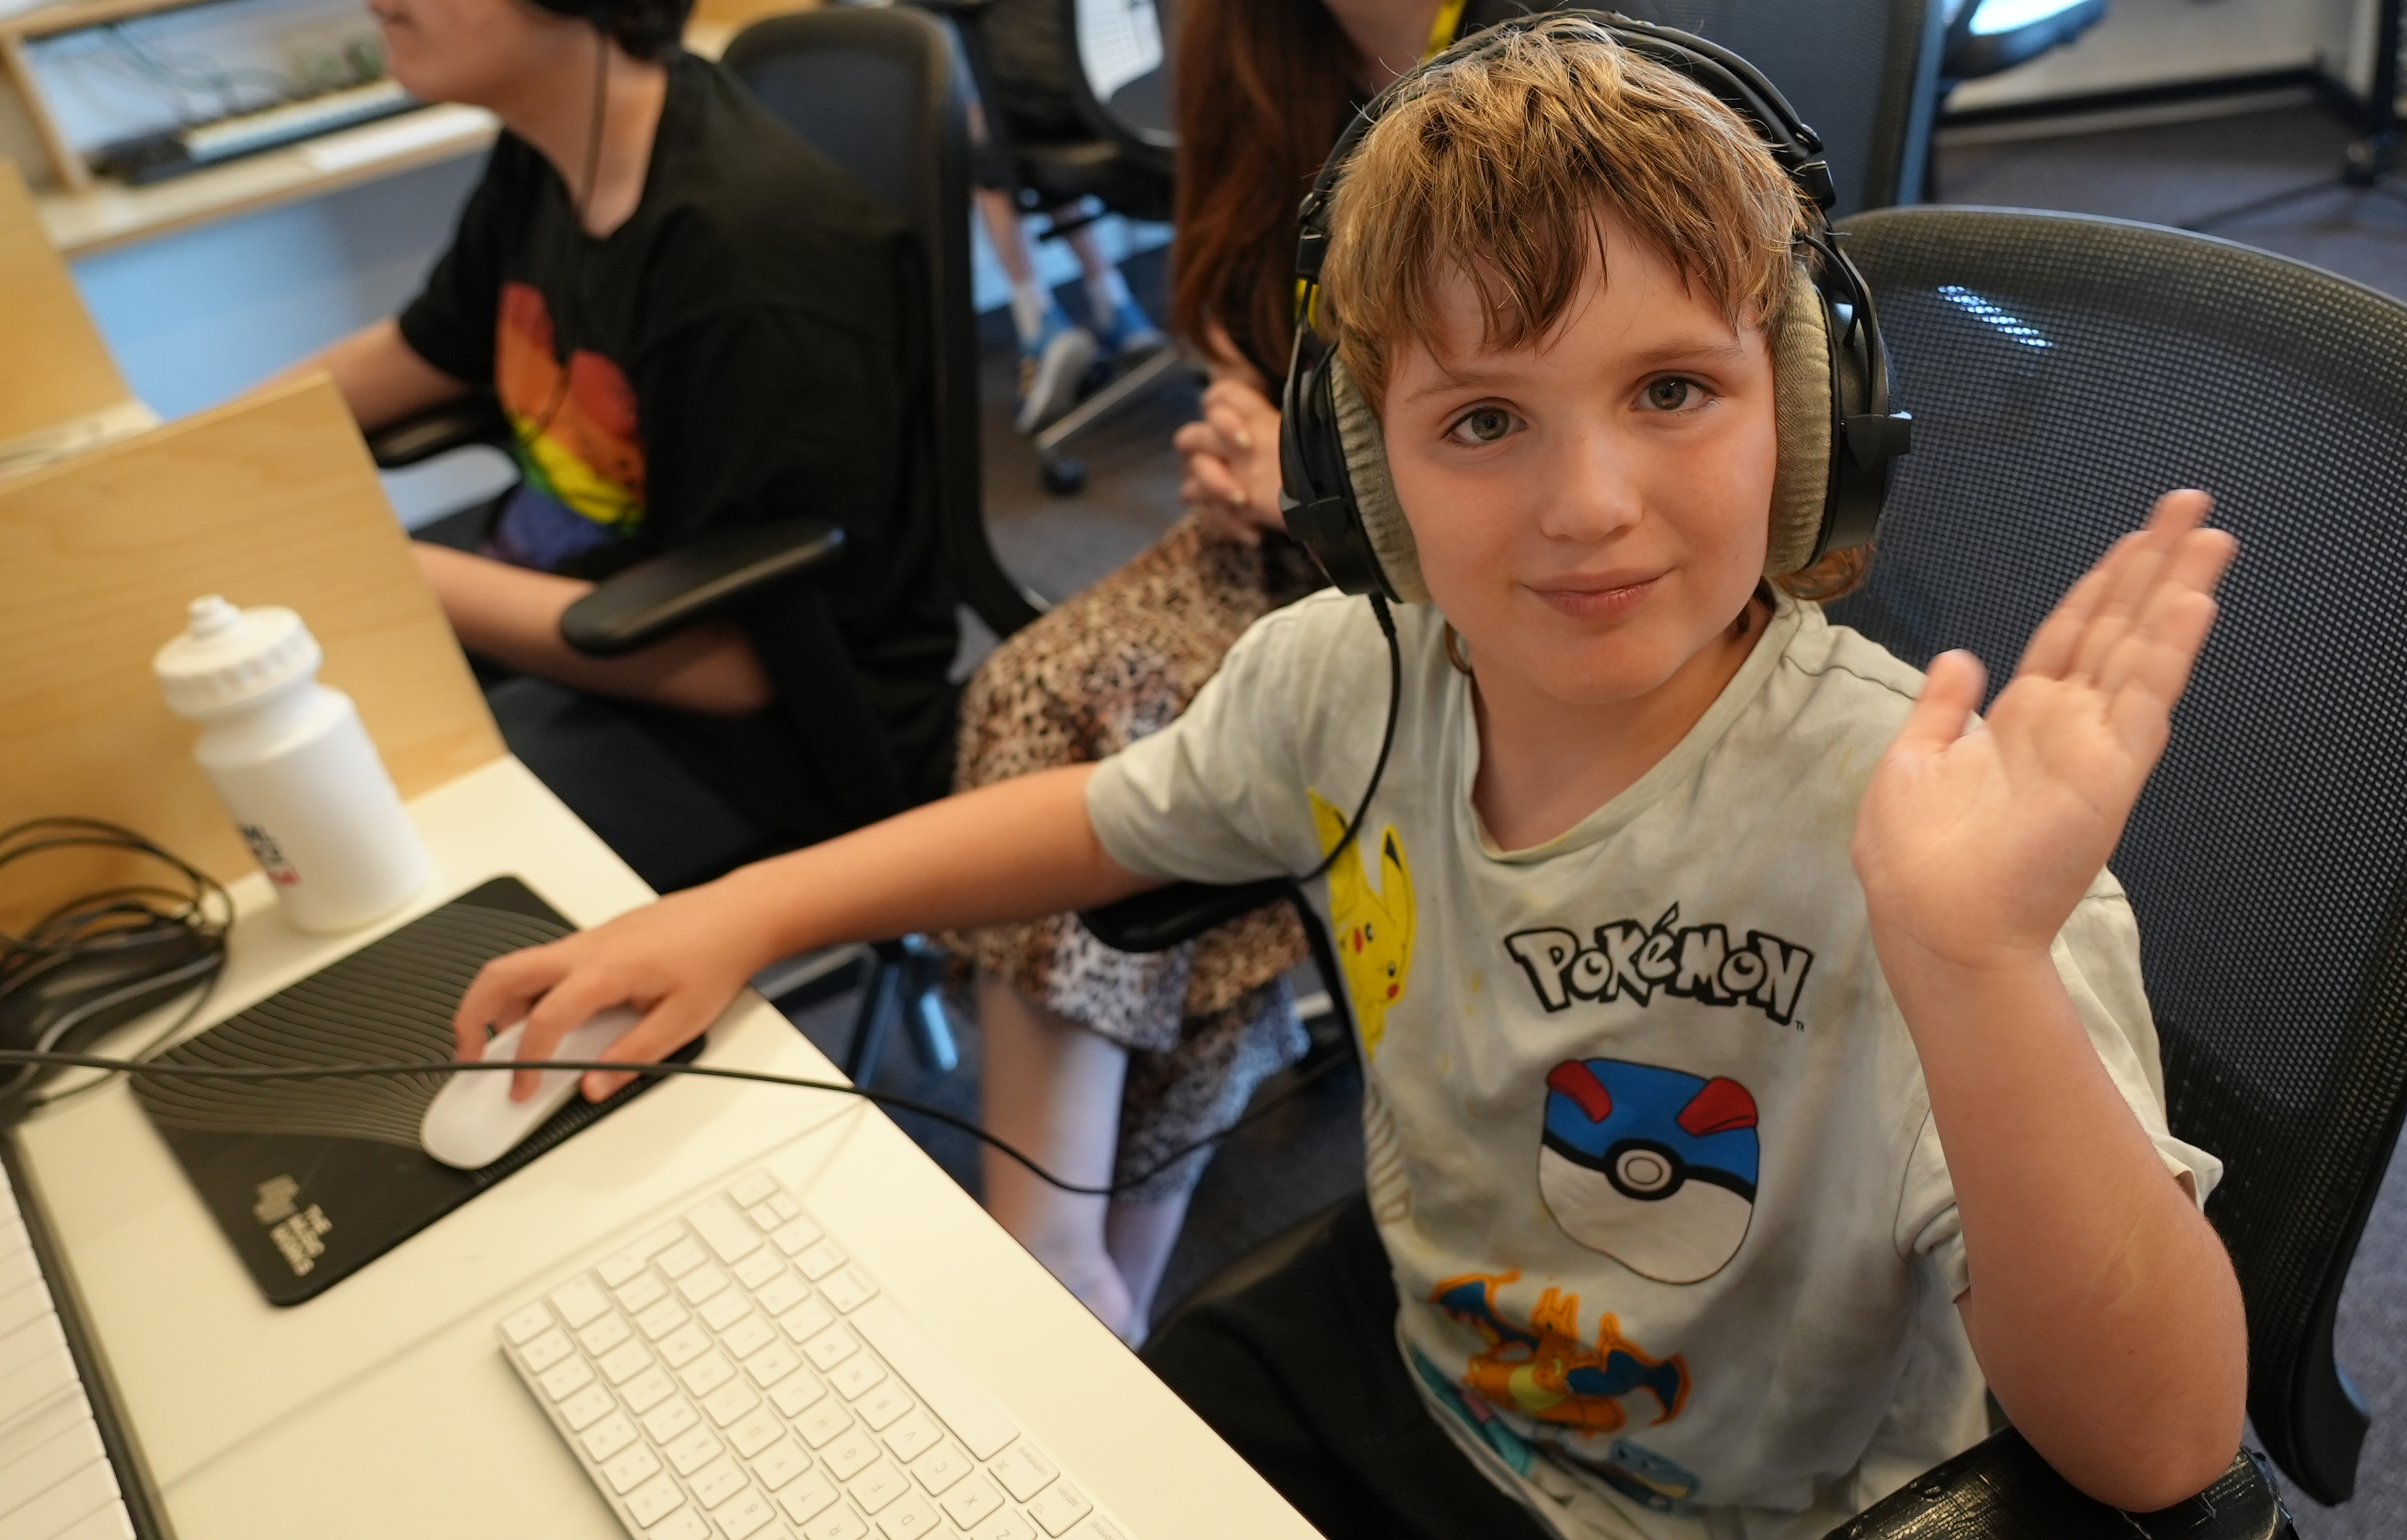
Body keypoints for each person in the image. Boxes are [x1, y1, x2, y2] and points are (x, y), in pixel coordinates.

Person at [452, 17, 2250, 1536]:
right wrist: (740, 914)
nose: (1588, 503)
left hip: (1730, 1503)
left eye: (1675, 392)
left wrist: (1980, 971)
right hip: (1420, 1362)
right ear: (1361, 480)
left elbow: (2163, 1449)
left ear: (1810, 413)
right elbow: (1097, 819)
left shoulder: (1928, 844)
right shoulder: (1344, 678)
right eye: (1482, 420)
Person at [947, 0, 1601, 1348]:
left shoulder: (1574, 49)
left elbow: (1574, 437)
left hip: (1479, 557)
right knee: (1039, 689)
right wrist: (1250, 420)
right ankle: (1061, 1256)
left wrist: (1322, 489)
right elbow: (1239, 319)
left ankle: (1072, 1278)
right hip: (1290, 527)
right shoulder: (1244, 40)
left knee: (1203, 741)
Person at [269, 0, 960, 892]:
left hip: (760, 731)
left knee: (345, 849)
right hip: (576, 605)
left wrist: (374, 567)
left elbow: (741, 667)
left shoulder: (748, 259)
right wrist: (178, 465)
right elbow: (423, 350)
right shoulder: (555, 149)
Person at [963, 0, 1167, 433]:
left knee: (983, 136)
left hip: (1057, 116)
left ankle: (1038, 325)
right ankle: (1113, 305)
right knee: (1022, 133)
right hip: (1154, 113)